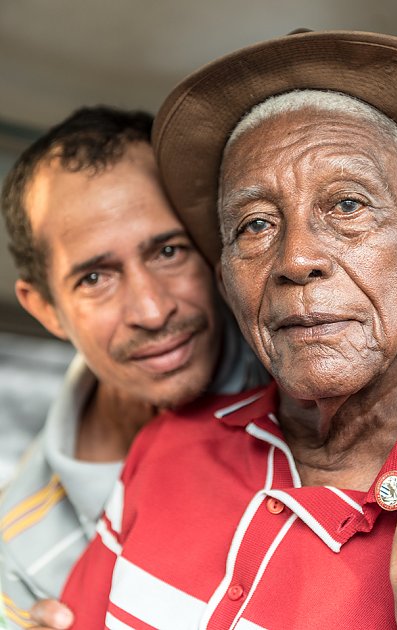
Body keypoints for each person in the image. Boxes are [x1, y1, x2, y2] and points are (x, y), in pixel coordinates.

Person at [56, 30, 397, 629]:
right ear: (226, 280)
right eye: (254, 225)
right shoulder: (171, 446)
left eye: (347, 206)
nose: (296, 259)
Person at [0, 106, 266, 629]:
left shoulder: (308, 360)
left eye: (169, 251)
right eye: (95, 278)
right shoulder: (18, 560)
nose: (152, 310)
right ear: (45, 309)